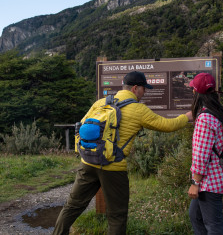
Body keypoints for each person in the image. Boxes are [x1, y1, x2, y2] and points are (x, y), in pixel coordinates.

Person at [53, 71, 192, 235]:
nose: (145, 92)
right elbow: (167, 125)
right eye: (144, 88)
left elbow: (82, 125)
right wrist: (187, 117)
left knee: (72, 205)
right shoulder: (138, 109)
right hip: (113, 168)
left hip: (89, 162)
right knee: (117, 215)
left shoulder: (100, 103)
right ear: (135, 88)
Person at [188, 73, 223, 235]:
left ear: (195, 92)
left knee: (214, 225)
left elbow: (201, 155)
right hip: (216, 178)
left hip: (209, 182)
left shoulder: (205, 118)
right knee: (196, 216)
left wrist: (195, 182)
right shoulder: (218, 112)